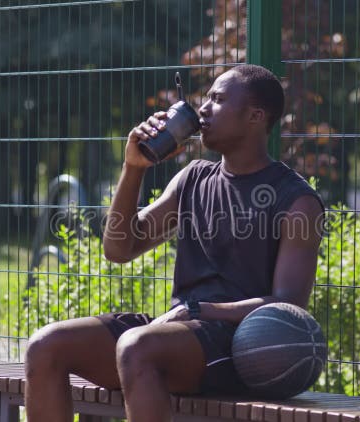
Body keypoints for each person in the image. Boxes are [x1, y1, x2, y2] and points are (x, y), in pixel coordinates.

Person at [24, 64, 325, 422]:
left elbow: (289, 305)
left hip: (239, 345)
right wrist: (134, 167)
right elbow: (120, 249)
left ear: (255, 116)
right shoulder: (193, 178)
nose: (203, 109)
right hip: (177, 335)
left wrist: (200, 310)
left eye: (218, 100)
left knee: (139, 347)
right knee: (46, 346)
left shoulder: (296, 200)